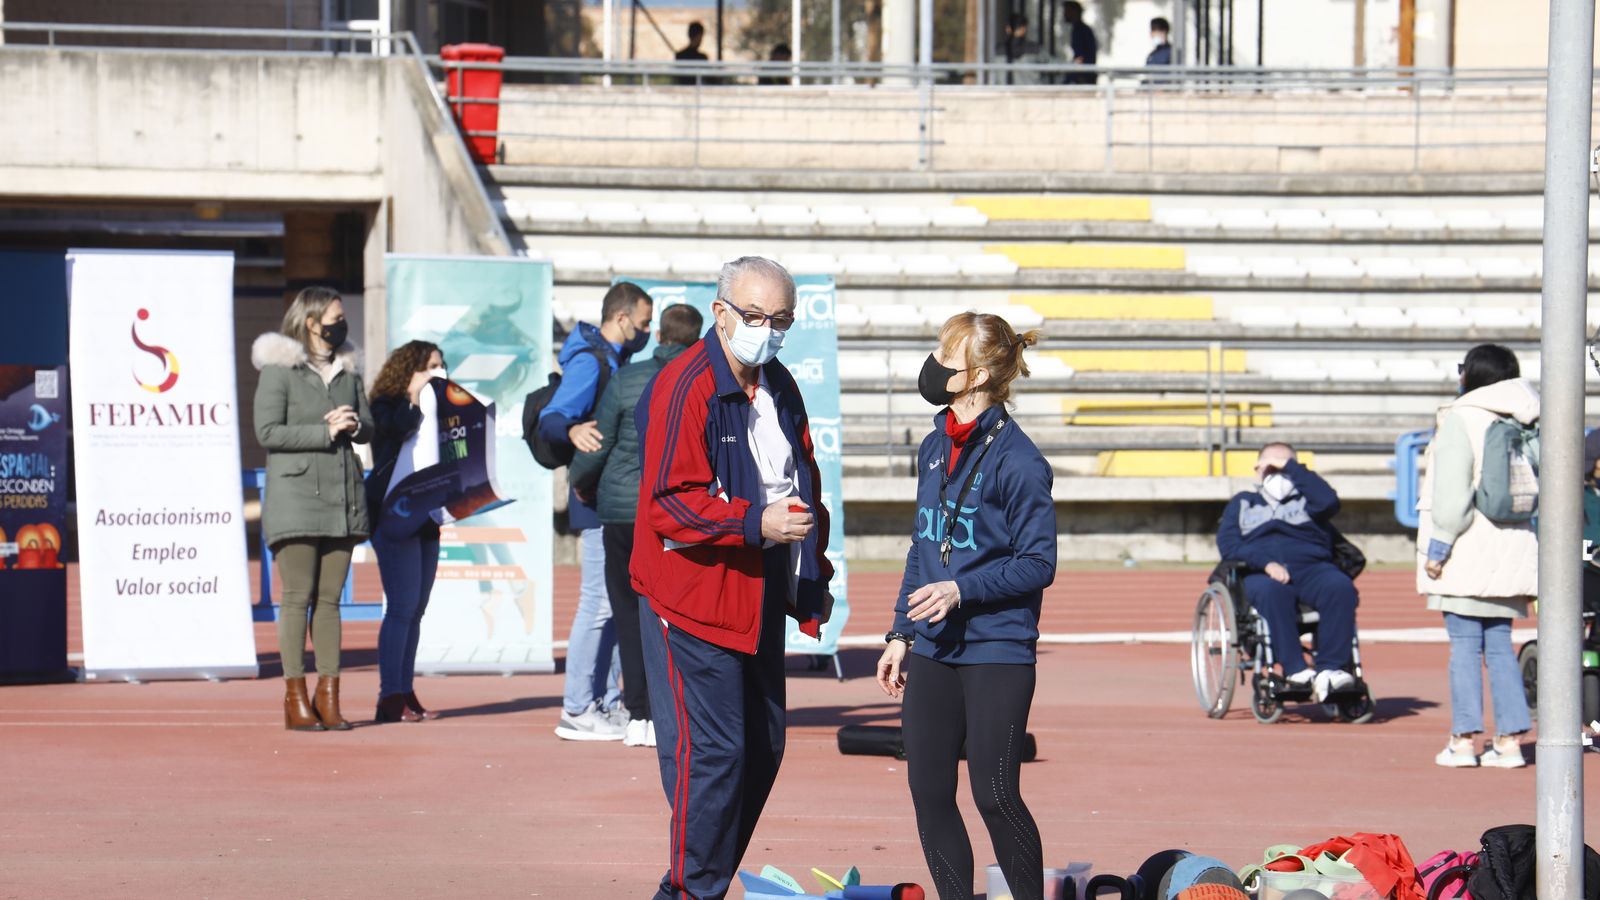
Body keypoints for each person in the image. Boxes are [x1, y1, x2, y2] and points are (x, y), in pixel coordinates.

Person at [631, 256, 834, 900]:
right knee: (713, 755)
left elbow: (804, 478)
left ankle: (696, 879)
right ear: (720, 313)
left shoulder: (782, 384)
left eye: (780, 320)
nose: (766, 330)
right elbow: (669, 500)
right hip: (693, 593)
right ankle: (693, 890)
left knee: (765, 747)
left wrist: (810, 571)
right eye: (753, 316)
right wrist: (755, 524)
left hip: (760, 584)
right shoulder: (683, 384)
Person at [875, 313, 1054, 900]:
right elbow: (923, 546)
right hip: (932, 648)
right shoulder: (932, 445)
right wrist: (901, 633)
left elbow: (1037, 563)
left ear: (975, 375)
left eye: (943, 356)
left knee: (995, 795)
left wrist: (961, 590)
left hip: (997, 649)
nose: (931, 364)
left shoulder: (1020, 461)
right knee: (928, 790)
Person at [570, 303, 706, 749]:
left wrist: (582, 485)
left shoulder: (629, 377)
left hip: (622, 511)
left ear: (660, 334)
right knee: (680, 616)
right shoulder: (702, 378)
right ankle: (678, 712)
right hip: (677, 512)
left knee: (628, 614)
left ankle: (638, 715)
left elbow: (598, 444)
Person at [252, 286, 373, 732]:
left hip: (343, 497)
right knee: (296, 599)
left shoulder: (348, 371)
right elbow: (268, 431)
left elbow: (368, 424)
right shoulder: (279, 371)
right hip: (296, 499)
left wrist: (356, 424)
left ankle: (329, 697)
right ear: (311, 321)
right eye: (335, 317)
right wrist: (323, 431)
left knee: (329, 602)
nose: (341, 325)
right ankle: (295, 697)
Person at [538, 281, 655, 742]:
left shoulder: (614, 359)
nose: (646, 331)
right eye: (644, 323)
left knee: (611, 602)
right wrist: (571, 433)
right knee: (600, 602)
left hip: (602, 499)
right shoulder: (591, 361)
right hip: (592, 502)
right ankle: (577, 706)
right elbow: (553, 416)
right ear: (622, 318)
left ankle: (603, 701)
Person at [1419, 343, 1536, 769]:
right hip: (1515, 544)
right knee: (1501, 645)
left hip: (1467, 548)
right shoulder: (1530, 414)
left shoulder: (1462, 417)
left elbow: (1451, 498)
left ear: (1470, 374)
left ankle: (1464, 739)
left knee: (1465, 646)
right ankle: (1509, 741)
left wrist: (1439, 547)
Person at [1216, 443, 1359, 702]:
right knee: (1272, 593)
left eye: (1284, 466)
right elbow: (1228, 545)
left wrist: (1291, 469)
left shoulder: (1310, 502)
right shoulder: (1242, 503)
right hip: (1262, 572)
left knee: (1339, 587)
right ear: (1258, 469)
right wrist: (1265, 563)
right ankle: (1296, 671)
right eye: (1271, 466)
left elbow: (1329, 501)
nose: (1278, 473)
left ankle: (1330, 669)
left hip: (1312, 567)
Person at [367, 340, 449, 724]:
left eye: (441, 365)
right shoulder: (386, 403)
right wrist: (415, 397)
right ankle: (389, 696)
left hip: (428, 514)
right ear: (410, 369)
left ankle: (405, 688)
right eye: (430, 365)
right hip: (393, 514)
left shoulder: (440, 407)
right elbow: (397, 428)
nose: (438, 372)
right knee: (400, 607)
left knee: (416, 610)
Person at [1063, 1, 1098, 85]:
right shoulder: (1079, 29)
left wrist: (1075, 76)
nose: (1064, 14)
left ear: (1074, 11)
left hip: (1082, 77)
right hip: (1083, 75)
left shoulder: (1080, 30)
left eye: (1067, 11)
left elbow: (1080, 58)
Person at [674, 21, 710, 86]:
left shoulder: (679, 55)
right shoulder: (702, 58)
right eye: (701, 36)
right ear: (698, 36)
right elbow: (709, 79)